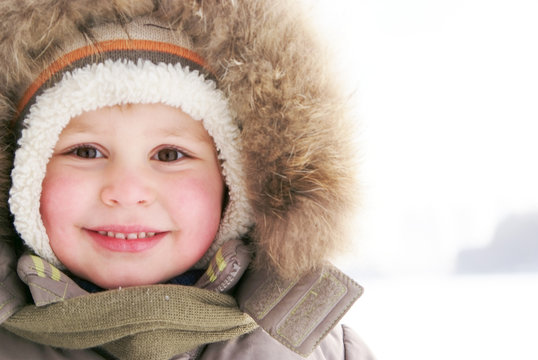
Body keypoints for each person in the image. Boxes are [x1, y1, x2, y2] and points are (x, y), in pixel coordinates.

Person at [0, 0, 374, 359]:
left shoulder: (323, 352)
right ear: (23, 177)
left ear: (236, 186)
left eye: (169, 155)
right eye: (85, 152)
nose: (127, 192)